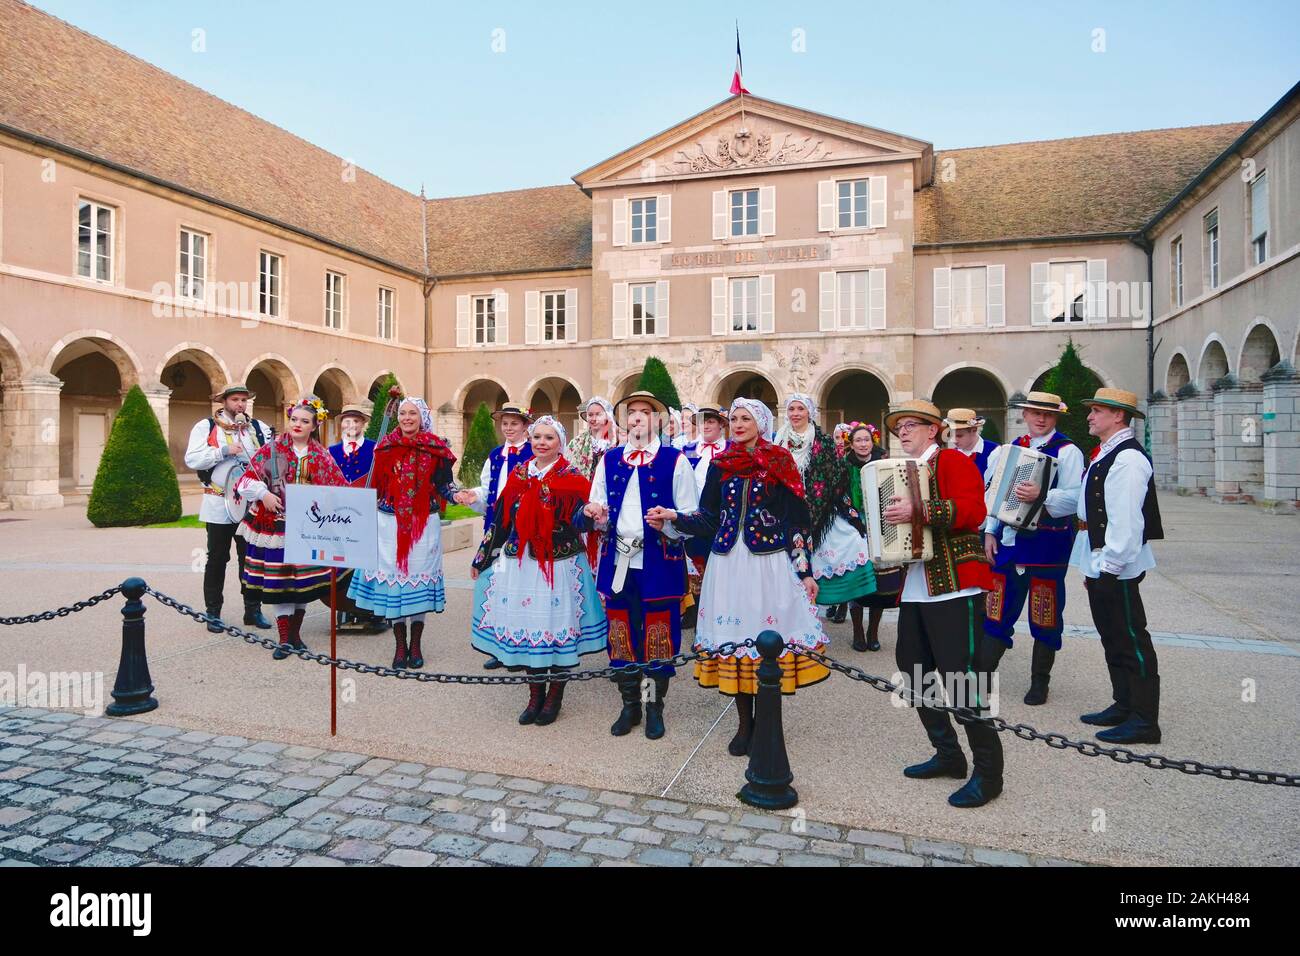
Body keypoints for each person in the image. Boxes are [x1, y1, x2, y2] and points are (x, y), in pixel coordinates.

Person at [651, 399, 827, 758]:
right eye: (734, 418)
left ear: (761, 423)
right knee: (735, 639)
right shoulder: (720, 465)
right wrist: (674, 517)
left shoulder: (780, 460)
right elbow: (708, 518)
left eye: (746, 418)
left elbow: (798, 521)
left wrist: (804, 569)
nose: (739, 423)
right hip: (728, 563)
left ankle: (765, 721)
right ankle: (744, 723)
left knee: (764, 643)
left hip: (768, 565)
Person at [884, 399, 1002, 808]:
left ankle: (989, 774)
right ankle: (949, 754)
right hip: (917, 586)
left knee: (962, 679)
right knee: (912, 673)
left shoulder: (952, 461)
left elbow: (974, 510)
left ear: (933, 429)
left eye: (911, 425)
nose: (902, 431)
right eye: (899, 427)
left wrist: (920, 509)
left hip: (955, 585)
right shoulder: (901, 472)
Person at [471, 416, 608, 725]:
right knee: (531, 629)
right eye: (537, 437)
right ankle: (534, 696)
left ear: (560, 444)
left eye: (549, 438)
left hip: (558, 565)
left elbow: (581, 522)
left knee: (555, 629)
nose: (541, 442)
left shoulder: (573, 479)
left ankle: (554, 698)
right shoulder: (519, 475)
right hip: (522, 565)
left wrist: (587, 514)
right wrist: (482, 558)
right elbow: (501, 521)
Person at [582, 391, 699, 741]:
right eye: (631, 413)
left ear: (657, 421)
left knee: (658, 639)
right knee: (620, 636)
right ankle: (629, 704)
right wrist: (596, 515)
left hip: (659, 562)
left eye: (644, 413)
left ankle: (653, 707)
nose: (636, 418)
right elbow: (595, 506)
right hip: (617, 560)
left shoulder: (674, 461)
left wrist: (671, 521)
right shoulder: (610, 460)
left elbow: (693, 517)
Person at [1058, 389, 1164, 745]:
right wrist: (1095, 565)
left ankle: (1145, 720)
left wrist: (1109, 566)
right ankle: (1124, 704)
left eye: (1097, 411)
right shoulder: (1106, 453)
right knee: (1112, 635)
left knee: (1131, 638)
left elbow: (1126, 521)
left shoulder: (1128, 459)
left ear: (1118, 416)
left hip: (1116, 562)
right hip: (1099, 555)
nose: (1089, 416)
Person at [981, 392, 1084, 705]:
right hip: (1008, 545)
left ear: (1056, 418)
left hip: (1047, 547)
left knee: (1044, 614)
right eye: (1036, 413)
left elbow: (1075, 498)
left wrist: (1043, 495)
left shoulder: (1068, 451)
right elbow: (993, 493)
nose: (1041, 419)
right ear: (1024, 414)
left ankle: (1040, 682)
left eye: (1048, 415)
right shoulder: (1009, 450)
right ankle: (983, 676)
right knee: (996, 610)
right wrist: (989, 530)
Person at [348, 398, 460, 670]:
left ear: (422, 417)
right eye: (402, 413)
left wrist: (458, 495)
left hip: (424, 525)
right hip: (389, 523)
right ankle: (400, 646)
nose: (407, 418)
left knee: (417, 584)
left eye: (412, 413)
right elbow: (375, 485)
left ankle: (417, 645)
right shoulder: (385, 447)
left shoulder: (437, 449)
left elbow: (445, 484)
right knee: (395, 585)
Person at [235, 396, 348, 660]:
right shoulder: (272, 448)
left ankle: (296, 636)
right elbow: (245, 480)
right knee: (281, 583)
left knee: (302, 583)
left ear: (314, 426)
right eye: (294, 419)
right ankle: (284, 639)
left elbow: (338, 489)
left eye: (304, 421)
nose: (297, 424)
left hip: (307, 528)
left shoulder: (322, 455)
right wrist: (263, 494)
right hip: (275, 527)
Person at [184, 383, 273, 634]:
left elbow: (271, 456)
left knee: (251, 558)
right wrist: (223, 451)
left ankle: (252, 609)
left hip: (250, 503)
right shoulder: (207, 426)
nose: (240, 405)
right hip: (218, 502)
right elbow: (192, 458)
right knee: (217, 559)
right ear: (223, 401)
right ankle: (213, 613)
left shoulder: (257, 428)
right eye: (235, 400)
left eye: (244, 400)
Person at [455, 401, 534, 669]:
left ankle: (523, 645)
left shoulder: (534, 453)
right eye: (505, 423)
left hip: (522, 529)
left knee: (522, 587)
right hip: (496, 528)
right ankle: (500, 647)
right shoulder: (496, 455)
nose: (508, 427)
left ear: (525, 425)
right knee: (498, 587)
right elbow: (489, 488)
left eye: (514, 423)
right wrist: (473, 495)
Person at [829, 422, 900, 651]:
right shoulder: (843, 466)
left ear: (873, 442)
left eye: (866, 440)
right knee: (858, 579)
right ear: (852, 443)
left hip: (881, 526)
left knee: (880, 584)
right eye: (858, 440)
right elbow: (840, 495)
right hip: (854, 528)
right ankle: (858, 631)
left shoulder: (883, 462)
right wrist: (855, 519)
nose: (862, 444)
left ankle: (873, 631)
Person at [679, 406, 729, 629]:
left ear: (721, 425)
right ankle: (694, 611)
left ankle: (715, 615)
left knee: (716, 564)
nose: (707, 425)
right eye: (703, 421)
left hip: (720, 517)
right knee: (693, 563)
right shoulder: (687, 449)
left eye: (711, 421)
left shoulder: (729, 449)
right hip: (693, 516)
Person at [566, 396, 615, 480]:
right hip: (583, 490)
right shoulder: (576, 443)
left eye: (598, 414)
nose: (594, 419)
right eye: (590, 415)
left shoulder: (617, 441)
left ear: (607, 416)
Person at [328, 404, 376, 486]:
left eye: (356, 421)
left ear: (363, 424)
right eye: (347, 421)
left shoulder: (374, 448)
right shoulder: (330, 451)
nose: (351, 425)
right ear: (341, 424)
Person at [945, 409, 998, 479]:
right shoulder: (952, 454)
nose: (954, 440)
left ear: (974, 430)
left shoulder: (994, 452)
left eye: (959, 436)